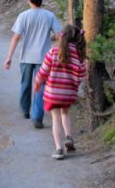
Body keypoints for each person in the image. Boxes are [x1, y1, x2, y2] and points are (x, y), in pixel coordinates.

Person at [4, 0, 61, 128]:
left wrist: (9, 57)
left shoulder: (23, 16)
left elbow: (16, 37)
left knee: (25, 84)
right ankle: (37, 117)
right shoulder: (49, 15)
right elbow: (60, 35)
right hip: (43, 59)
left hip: (26, 58)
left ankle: (25, 110)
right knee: (40, 88)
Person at [34, 24, 87, 159]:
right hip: (68, 93)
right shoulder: (79, 57)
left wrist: (38, 82)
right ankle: (69, 137)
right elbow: (81, 75)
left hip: (52, 93)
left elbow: (43, 71)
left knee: (55, 119)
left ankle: (59, 149)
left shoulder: (53, 52)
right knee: (65, 114)